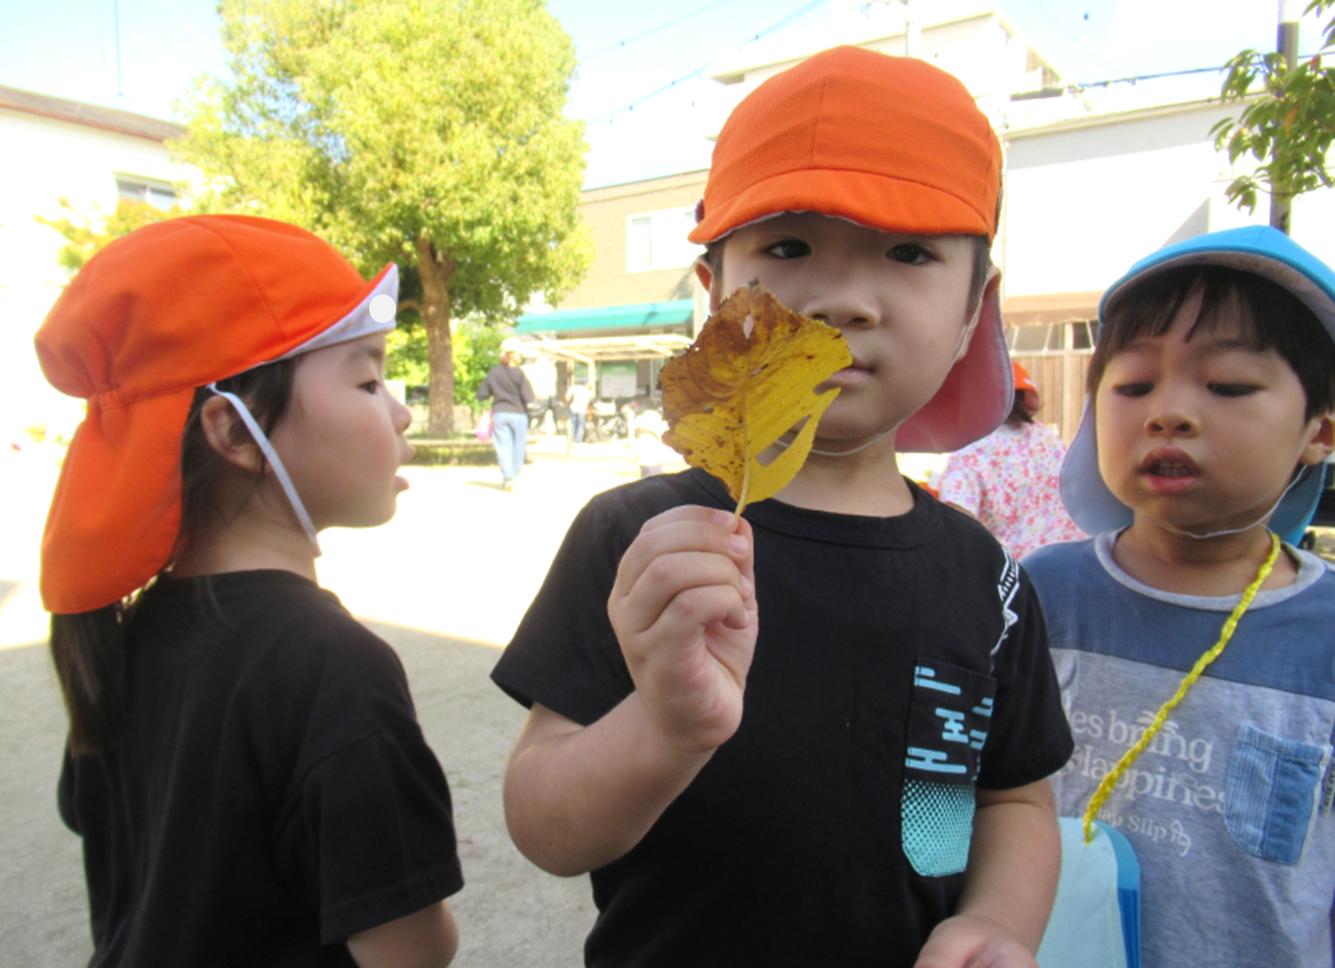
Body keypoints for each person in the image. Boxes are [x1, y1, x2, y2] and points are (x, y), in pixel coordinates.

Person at [492, 47, 1073, 968]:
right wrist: (664, 727)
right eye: (788, 247)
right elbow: (546, 827)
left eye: (911, 251)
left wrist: (994, 921)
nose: (842, 297)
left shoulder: (985, 579)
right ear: (712, 291)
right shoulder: (642, 539)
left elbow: (1003, 798)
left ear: (975, 309)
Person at [36, 215, 463, 968]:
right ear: (233, 435)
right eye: (366, 379)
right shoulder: (332, 665)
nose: (398, 411)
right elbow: (411, 950)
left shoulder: (126, 636)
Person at [1023, 225, 1335, 968]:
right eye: (1131, 386)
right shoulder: (1041, 592)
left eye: (1227, 385)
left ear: (1317, 433)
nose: (1167, 412)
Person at [936, 361, 1086, 559]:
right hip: (1067, 563)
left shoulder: (971, 452)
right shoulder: (1047, 438)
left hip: (1013, 577)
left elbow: (956, 523)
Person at [476, 336, 536, 490]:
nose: (521, 357)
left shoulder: (494, 372)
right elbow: (528, 396)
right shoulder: (519, 374)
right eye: (519, 354)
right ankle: (512, 476)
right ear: (511, 354)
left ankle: (508, 478)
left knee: (503, 447)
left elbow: (482, 393)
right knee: (519, 447)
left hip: (500, 413)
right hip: (519, 413)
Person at [567, 378, 592, 446]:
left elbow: (567, 397)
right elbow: (587, 402)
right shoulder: (587, 390)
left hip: (573, 408)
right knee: (580, 426)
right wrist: (587, 409)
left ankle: (570, 440)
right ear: (585, 383)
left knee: (573, 425)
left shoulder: (574, 388)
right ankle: (578, 441)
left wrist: (569, 403)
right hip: (581, 410)